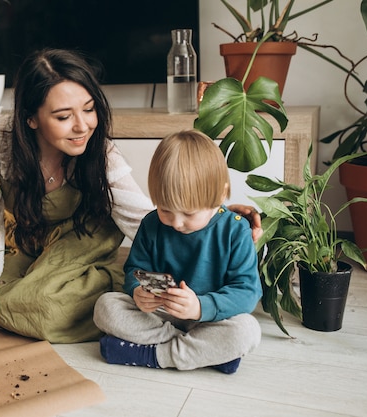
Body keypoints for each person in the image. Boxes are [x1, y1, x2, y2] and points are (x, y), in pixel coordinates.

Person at [0, 48, 262, 344]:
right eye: (64, 116)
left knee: (47, 304)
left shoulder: (100, 153)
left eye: (90, 109)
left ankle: (162, 344)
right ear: (31, 118)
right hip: (27, 237)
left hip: (79, 237)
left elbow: (143, 216)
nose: (83, 126)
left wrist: (211, 216)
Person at [93, 130, 262, 374]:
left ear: (222, 194)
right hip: (162, 317)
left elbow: (247, 292)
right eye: (165, 210)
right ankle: (206, 353)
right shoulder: (151, 224)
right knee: (105, 307)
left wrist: (201, 307)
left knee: (247, 330)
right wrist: (137, 292)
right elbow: (134, 270)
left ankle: (152, 354)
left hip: (210, 317)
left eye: (189, 214)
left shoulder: (236, 230)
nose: (177, 222)